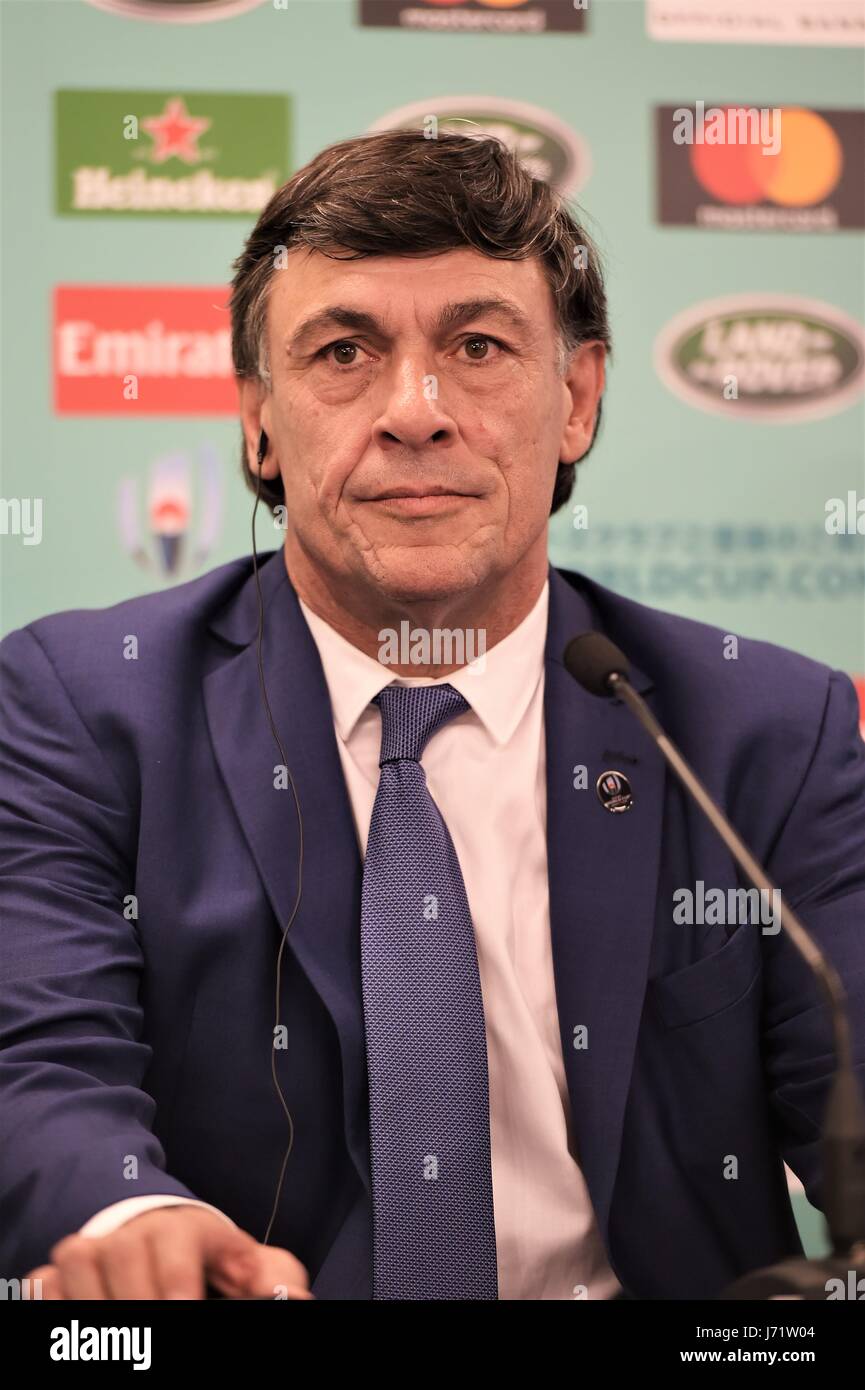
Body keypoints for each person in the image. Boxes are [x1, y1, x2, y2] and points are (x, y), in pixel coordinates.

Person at [1, 132, 863, 1301]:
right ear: (258, 420)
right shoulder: (83, 704)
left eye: (478, 346)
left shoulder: (760, 728)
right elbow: (39, 1060)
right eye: (344, 351)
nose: (416, 413)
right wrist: (133, 1213)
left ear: (578, 399)